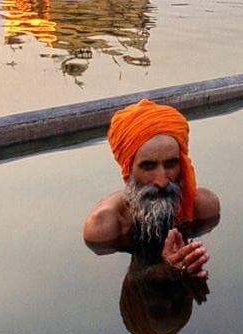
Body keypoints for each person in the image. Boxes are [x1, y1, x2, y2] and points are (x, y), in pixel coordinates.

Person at [83, 99, 220, 278]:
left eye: (171, 164)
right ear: (128, 170)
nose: (162, 181)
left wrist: (195, 258)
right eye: (148, 166)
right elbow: (105, 285)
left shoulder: (204, 207)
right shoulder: (104, 226)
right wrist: (166, 269)